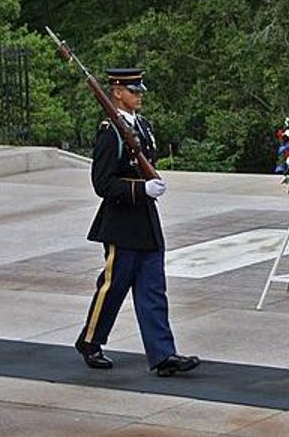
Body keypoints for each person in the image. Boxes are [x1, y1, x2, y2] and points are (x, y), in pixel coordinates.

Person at [74, 68, 200, 377]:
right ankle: (90, 341)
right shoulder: (110, 131)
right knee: (113, 287)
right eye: (133, 90)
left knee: (153, 290)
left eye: (139, 90)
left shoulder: (142, 126)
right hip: (121, 222)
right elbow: (102, 183)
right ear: (116, 92)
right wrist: (139, 188)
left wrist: (148, 185)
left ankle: (163, 355)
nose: (139, 95)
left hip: (146, 220)